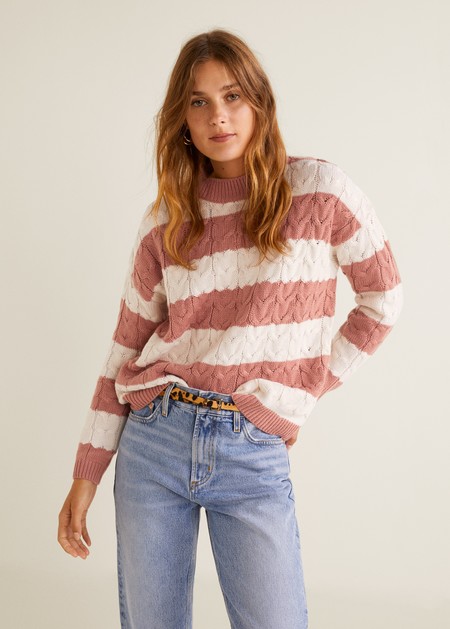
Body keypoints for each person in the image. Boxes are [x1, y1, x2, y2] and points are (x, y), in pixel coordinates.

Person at [57, 28, 403, 629]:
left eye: (233, 95)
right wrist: (85, 474)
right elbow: (123, 352)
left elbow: (383, 300)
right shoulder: (167, 219)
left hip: (253, 448)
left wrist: (304, 390)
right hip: (155, 440)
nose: (218, 115)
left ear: (260, 101)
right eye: (199, 101)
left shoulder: (320, 193)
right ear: (182, 120)